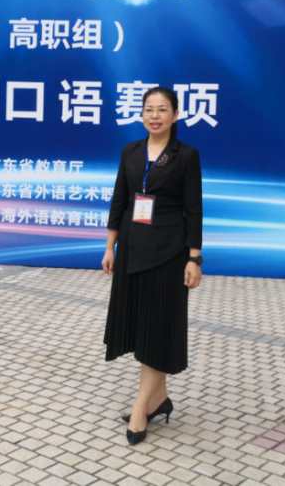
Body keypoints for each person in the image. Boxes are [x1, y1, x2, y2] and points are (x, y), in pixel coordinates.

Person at [102, 86, 203, 445]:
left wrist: (194, 258)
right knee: (142, 328)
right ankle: (159, 399)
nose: (155, 116)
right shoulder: (130, 151)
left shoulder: (186, 156)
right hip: (132, 250)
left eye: (162, 109)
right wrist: (110, 246)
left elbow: (194, 209)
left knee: (157, 329)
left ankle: (141, 407)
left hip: (168, 253)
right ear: (141, 114)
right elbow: (120, 199)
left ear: (175, 115)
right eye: (149, 109)